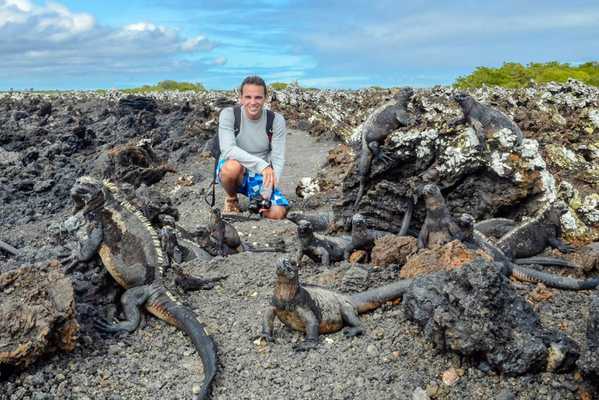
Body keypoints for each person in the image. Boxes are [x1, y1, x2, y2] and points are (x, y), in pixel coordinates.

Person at [216, 76, 288, 219]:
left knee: (277, 213)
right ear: (241, 98)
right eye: (248, 97)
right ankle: (231, 199)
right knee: (232, 167)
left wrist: (267, 192)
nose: (253, 102)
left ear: (265, 98)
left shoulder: (276, 120)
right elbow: (228, 150)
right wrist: (262, 165)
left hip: (262, 174)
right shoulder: (228, 115)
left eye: (258, 97)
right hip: (236, 167)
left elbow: (278, 158)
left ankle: (256, 207)